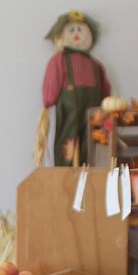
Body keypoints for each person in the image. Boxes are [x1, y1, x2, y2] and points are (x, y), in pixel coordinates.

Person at [40, 10, 111, 166]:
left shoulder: (94, 63)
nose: (76, 34)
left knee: (92, 141)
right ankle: (65, 172)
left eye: (80, 30)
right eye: (71, 30)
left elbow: (104, 87)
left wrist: (107, 102)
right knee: (67, 141)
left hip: (93, 109)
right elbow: (52, 80)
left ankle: (90, 171)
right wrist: (49, 99)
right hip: (69, 108)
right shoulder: (59, 59)